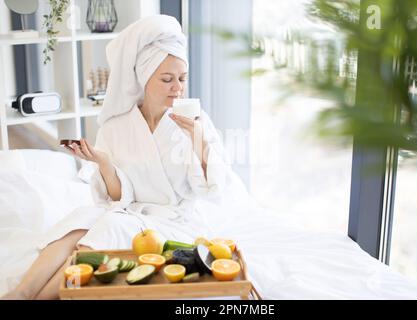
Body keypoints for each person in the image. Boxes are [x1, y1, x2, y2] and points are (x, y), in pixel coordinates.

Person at [2, 14, 243, 300]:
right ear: (144, 77)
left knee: (109, 227)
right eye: (167, 79)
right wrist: (103, 163)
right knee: (81, 221)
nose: (177, 88)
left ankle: (46, 298)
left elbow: (212, 187)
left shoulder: (195, 122)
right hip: (130, 211)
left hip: (174, 221)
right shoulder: (116, 126)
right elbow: (117, 197)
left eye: (182, 78)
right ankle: (21, 293)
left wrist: (199, 140)